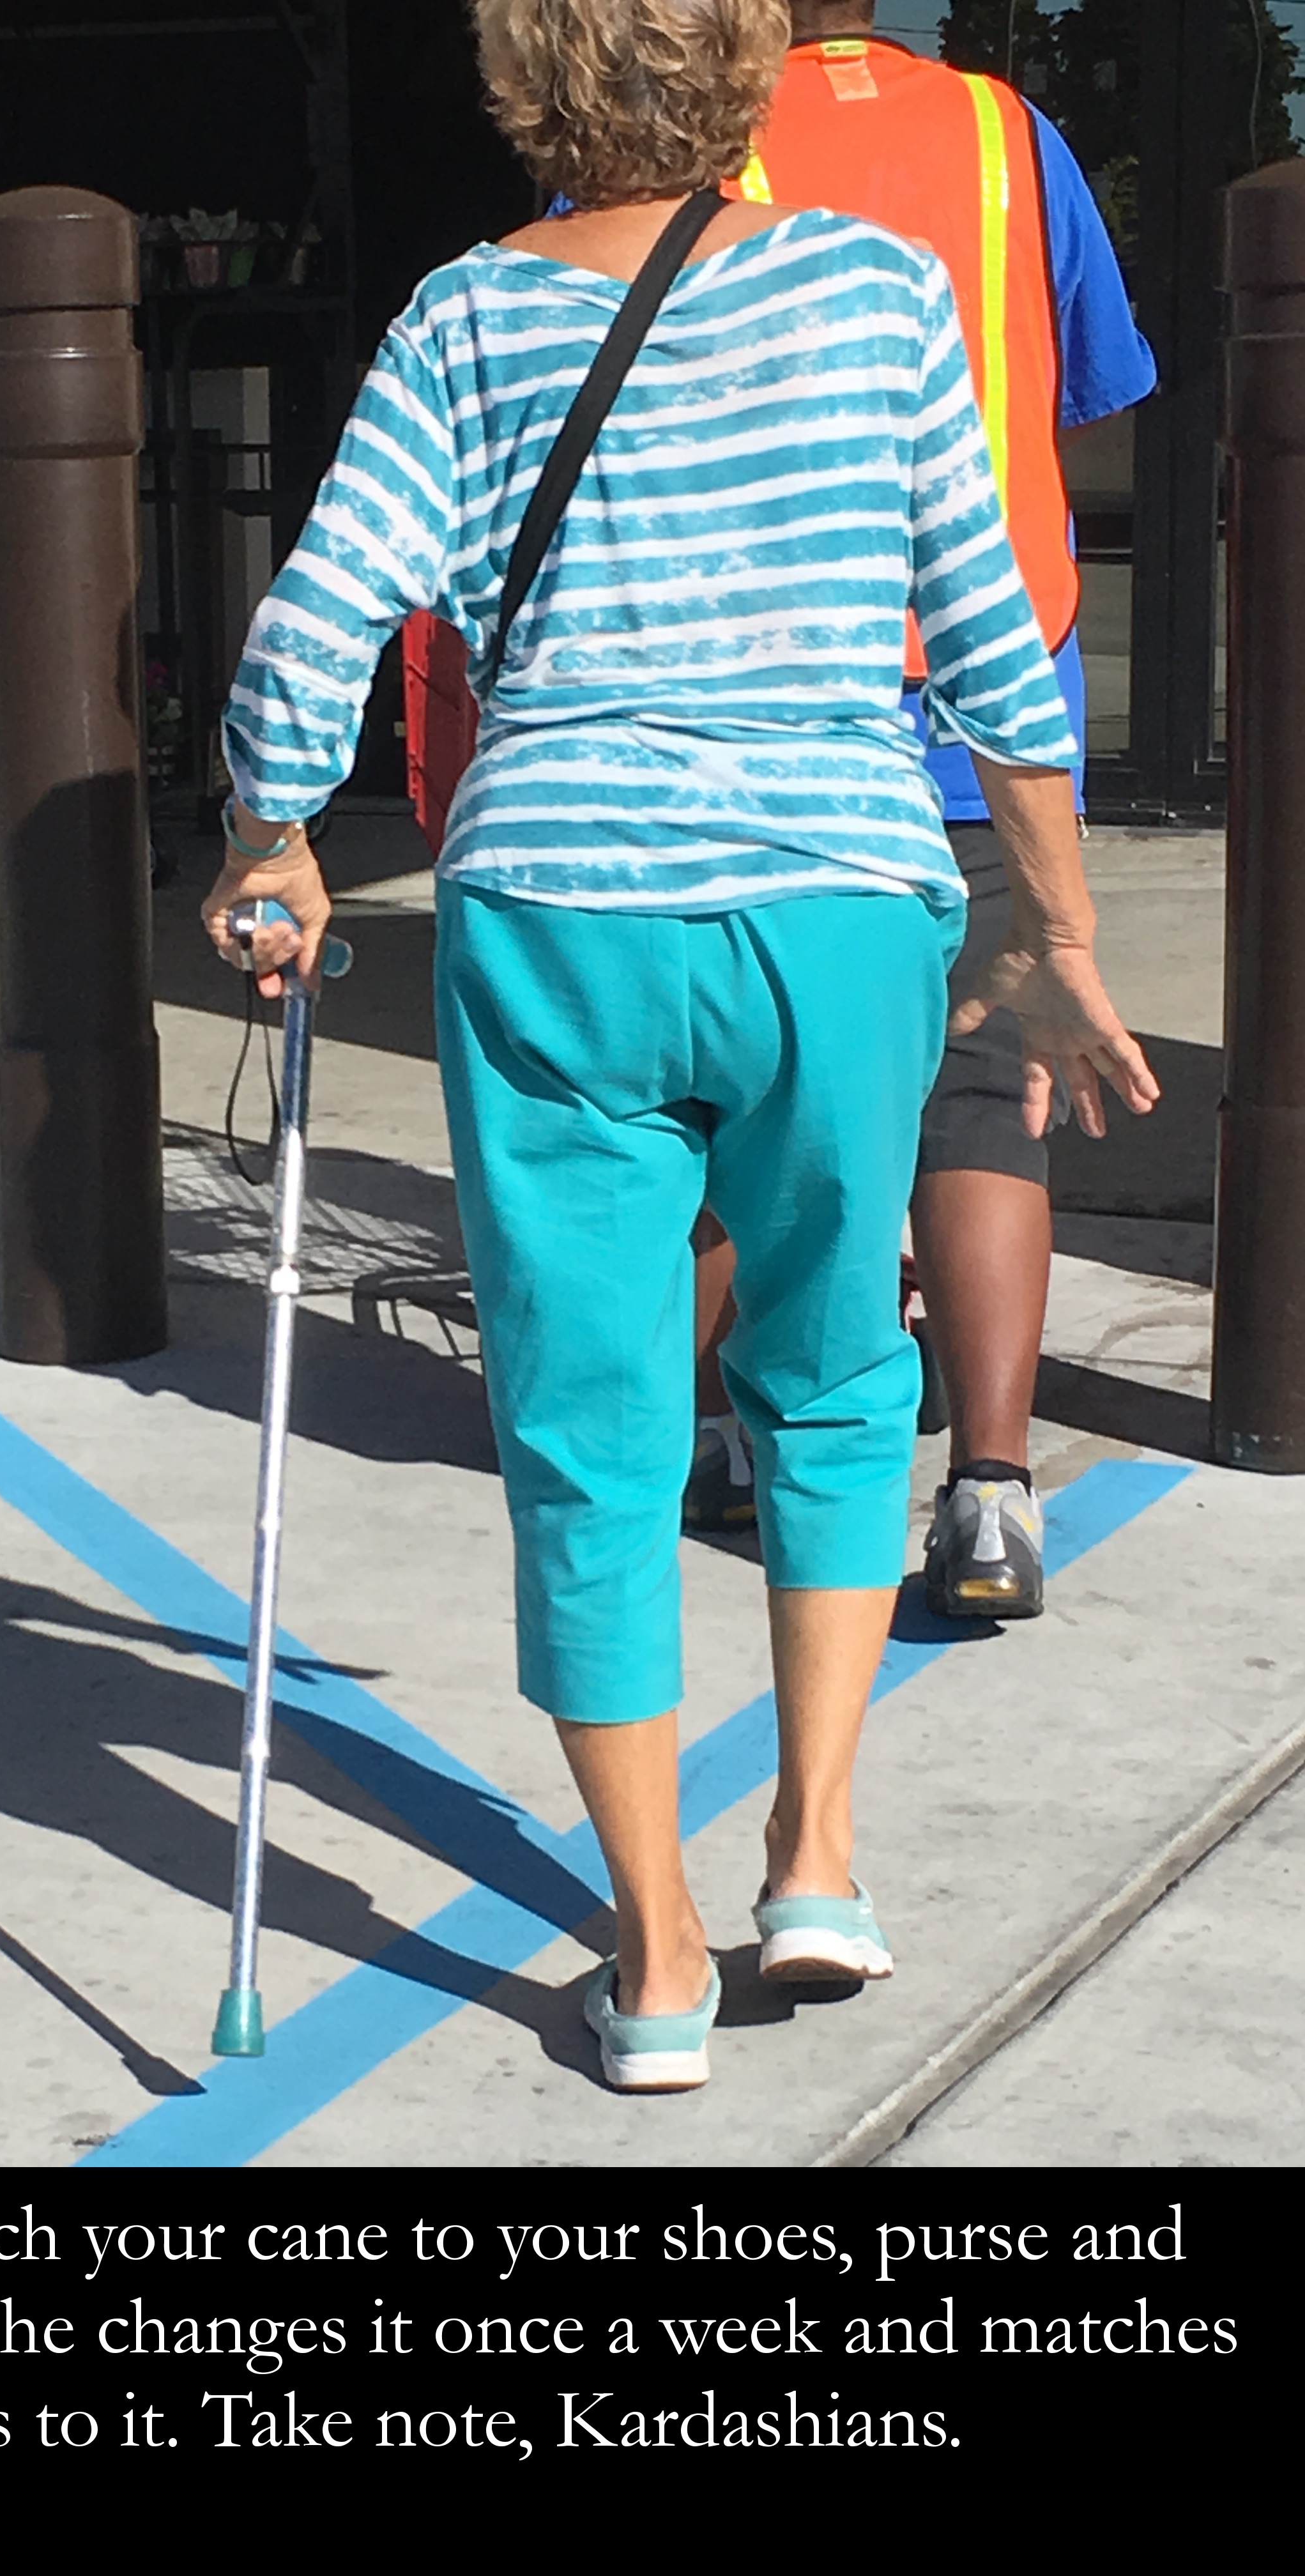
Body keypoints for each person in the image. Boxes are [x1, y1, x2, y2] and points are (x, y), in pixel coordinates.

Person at [202, 0, 1155, 2094]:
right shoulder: (875, 291)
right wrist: (1058, 920)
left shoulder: (462, 317)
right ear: (740, 70)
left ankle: (651, 1957)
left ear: (517, 82)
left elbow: (316, 622)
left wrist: (273, 826)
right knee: (833, 1376)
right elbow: (993, 630)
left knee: (592, 1424)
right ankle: (813, 1856)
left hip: (557, 912)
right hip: (829, 897)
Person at [682, 0, 1159, 1625]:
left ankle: (743, 1444)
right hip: (988, 693)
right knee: (987, 1083)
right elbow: (1088, 388)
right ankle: (993, 1498)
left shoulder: (677, 125)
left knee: (743, 1079)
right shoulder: (1004, 135)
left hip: (767, 694)